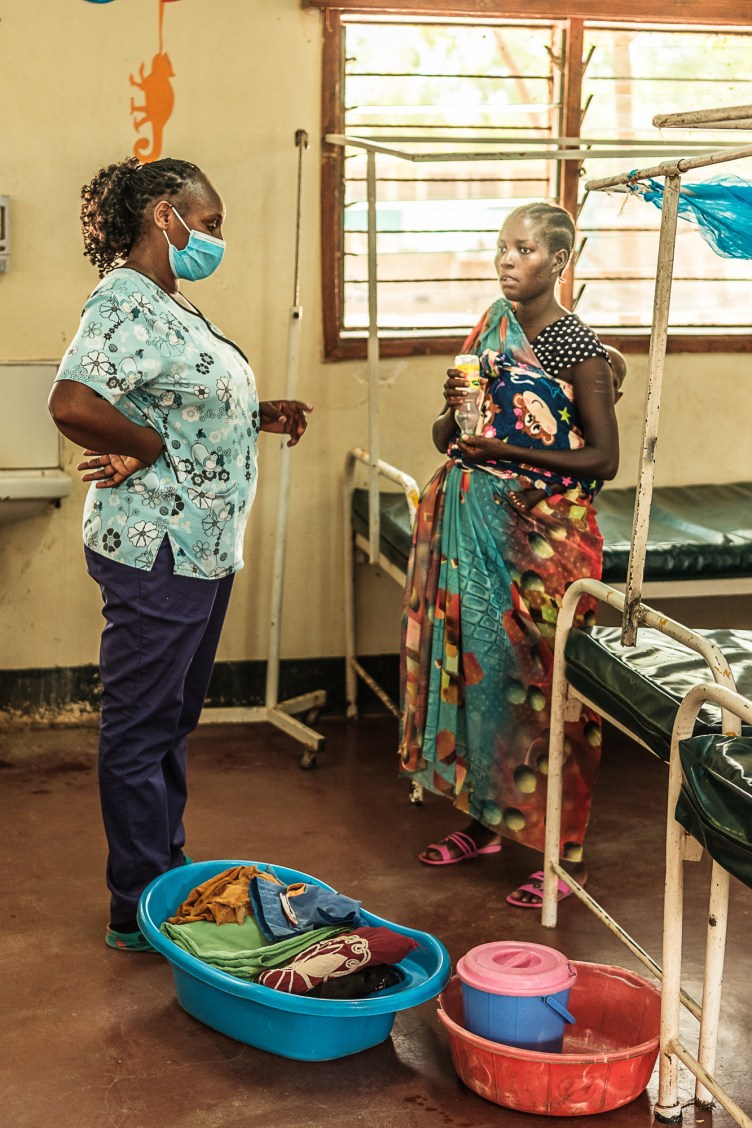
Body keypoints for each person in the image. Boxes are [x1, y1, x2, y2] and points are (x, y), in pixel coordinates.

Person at [48, 157, 313, 950]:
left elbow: (186, 399)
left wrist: (257, 412)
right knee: (140, 728)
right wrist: (145, 442)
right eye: (213, 221)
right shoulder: (124, 302)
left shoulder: (171, 304)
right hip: (156, 546)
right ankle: (136, 905)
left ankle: (164, 868)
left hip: (201, 546)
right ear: (167, 216)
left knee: (169, 720)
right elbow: (71, 402)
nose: (217, 237)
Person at [399, 201, 626, 908]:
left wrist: (502, 451)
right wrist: (451, 409)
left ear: (558, 262)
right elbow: (448, 437)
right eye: (501, 247)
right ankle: (484, 821)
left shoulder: (573, 348)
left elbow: (603, 459)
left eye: (524, 249)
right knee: (480, 678)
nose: (507, 260)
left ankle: (565, 855)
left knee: (548, 691)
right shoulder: (487, 335)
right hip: (474, 533)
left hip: (544, 545)